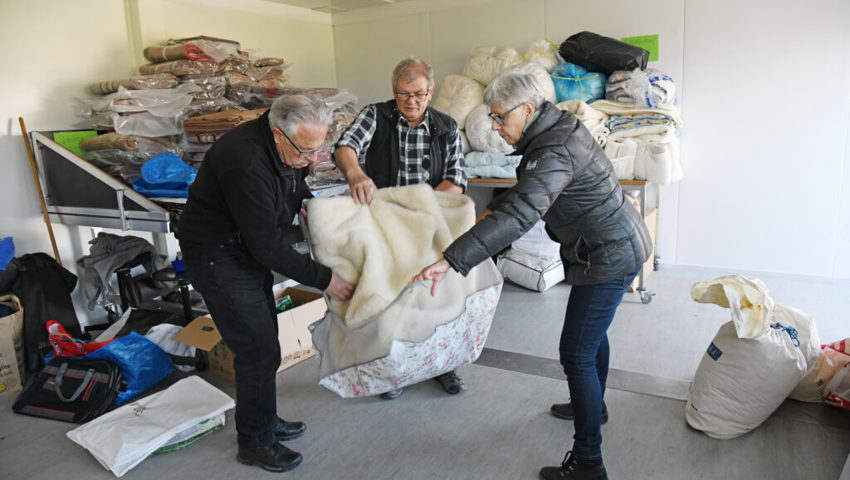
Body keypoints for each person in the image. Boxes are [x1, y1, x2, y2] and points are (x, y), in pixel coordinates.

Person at [413, 71, 651, 480]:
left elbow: (523, 212)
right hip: (614, 245)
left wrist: (454, 259)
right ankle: (594, 406)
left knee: (575, 353)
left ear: (527, 109)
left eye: (499, 117)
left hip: (608, 256)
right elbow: (527, 195)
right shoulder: (556, 129)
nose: (494, 126)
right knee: (592, 339)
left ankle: (589, 463)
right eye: (490, 117)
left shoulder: (553, 148)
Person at [177, 94, 355, 473]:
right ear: (278, 135)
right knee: (257, 350)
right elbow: (267, 247)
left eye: (318, 149)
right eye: (305, 150)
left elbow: (292, 180)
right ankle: (254, 442)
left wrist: (306, 200)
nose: (311, 159)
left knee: (264, 344)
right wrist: (326, 280)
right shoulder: (244, 160)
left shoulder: (285, 147)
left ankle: (264, 421)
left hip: (242, 249)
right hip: (217, 255)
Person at [334, 56, 468, 400]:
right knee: (389, 297)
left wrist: (417, 205)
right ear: (393, 90)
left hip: (429, 224)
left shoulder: (447, 127)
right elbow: (346, 146)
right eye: (403, 94)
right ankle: (393, 371)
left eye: (419, 94)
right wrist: (356, 173)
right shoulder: (375, 115)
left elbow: (456, 181)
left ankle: (443, 365)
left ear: (431, 91)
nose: (411, 102)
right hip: (385, 224)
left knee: (435, 298)